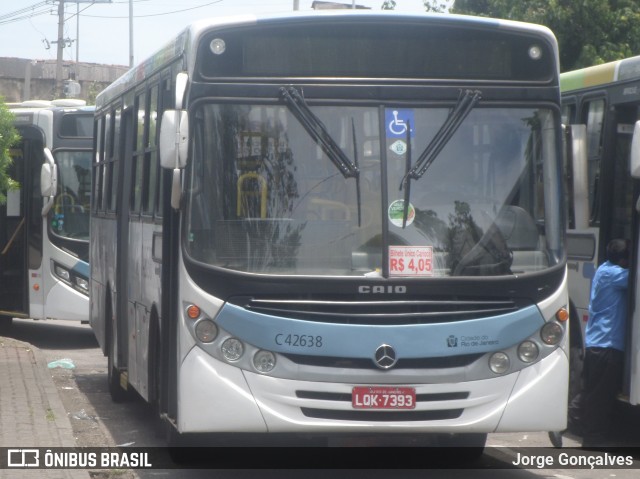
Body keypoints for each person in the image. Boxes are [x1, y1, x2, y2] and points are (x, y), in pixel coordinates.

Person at [549, 238, 630, 448]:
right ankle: (593, 438)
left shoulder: (604, 269)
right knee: (601, 395)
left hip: (596, 343)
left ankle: (561, 423)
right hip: (608, 344)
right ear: (623, 259)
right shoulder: (615, 275)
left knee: (589, 391)